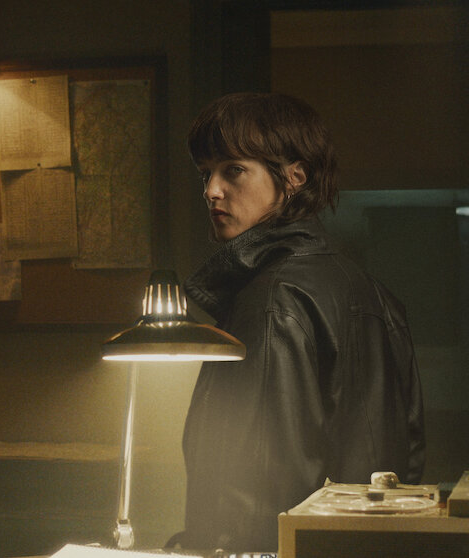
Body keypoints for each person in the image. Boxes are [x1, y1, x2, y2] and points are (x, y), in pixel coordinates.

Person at [174, 92, 426, 553]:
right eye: (205, 172)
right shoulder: (375, 293)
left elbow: (253, 493)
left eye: (234, 170)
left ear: (294, 177)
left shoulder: (272, 299)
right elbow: (406, 462)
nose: (211, 190)